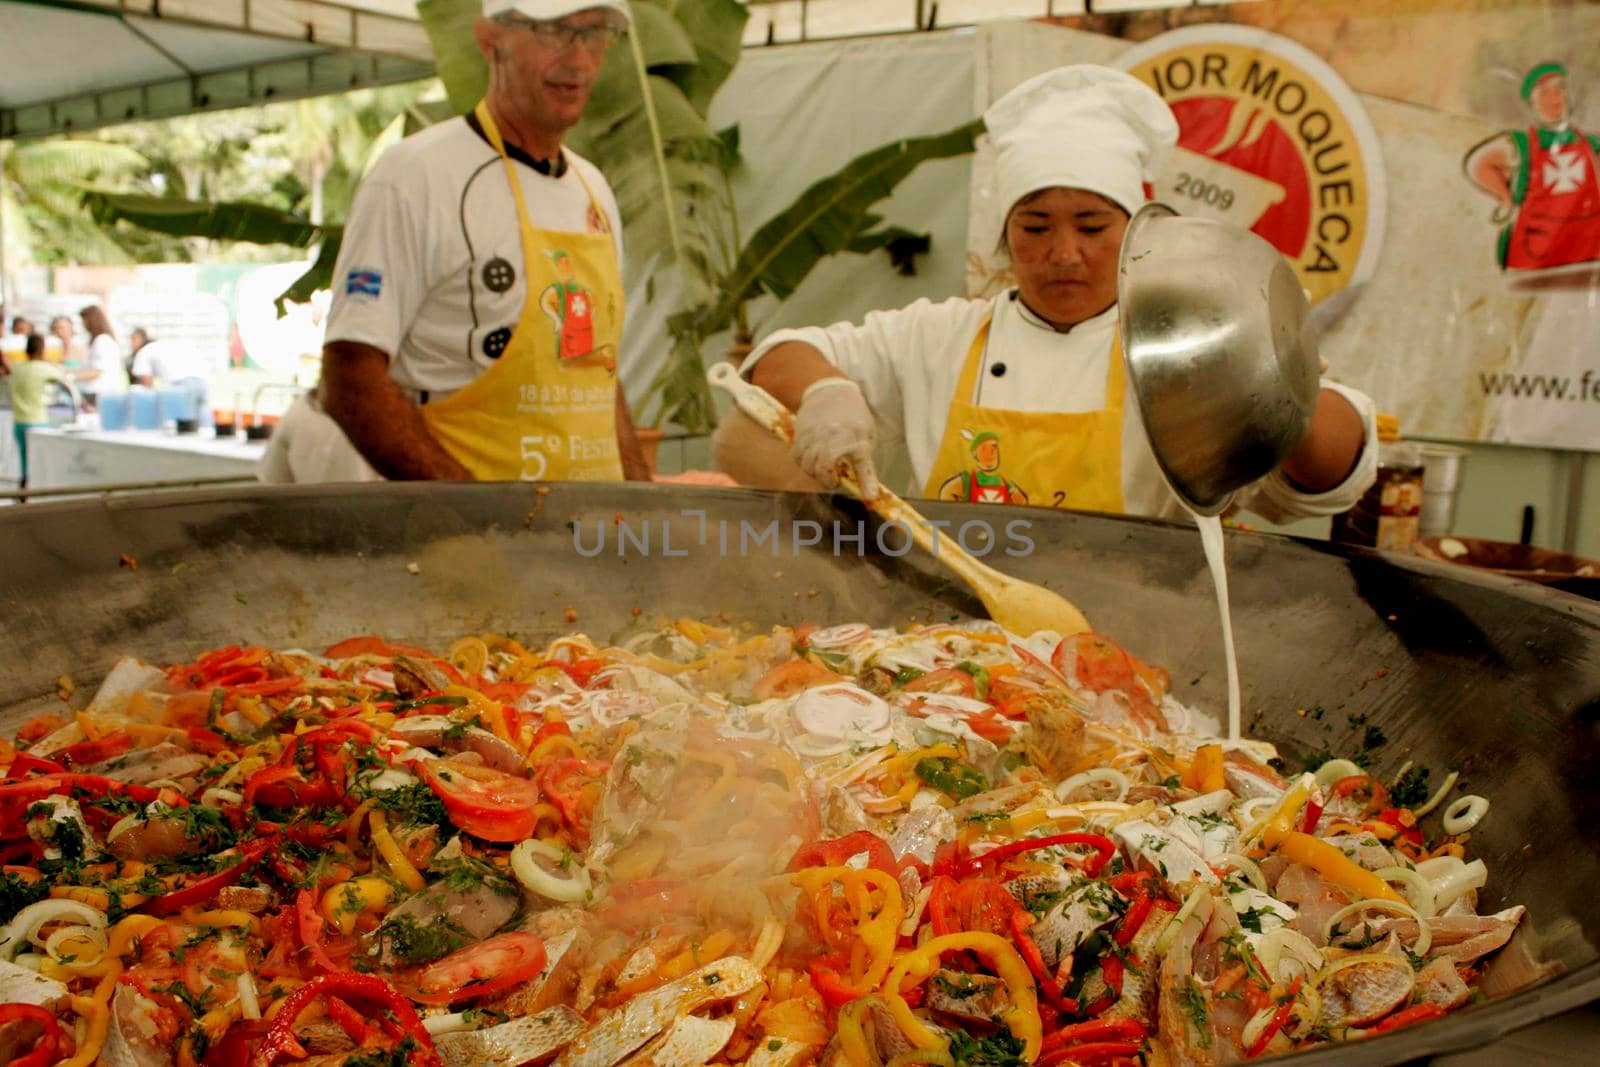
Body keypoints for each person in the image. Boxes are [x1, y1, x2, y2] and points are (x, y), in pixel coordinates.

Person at [717, 65, 1376, 524]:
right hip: (949, 642)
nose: (1064, 253)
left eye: (1092, 226)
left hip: (1149, 642)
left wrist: (1276, 381)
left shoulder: (1186, 348)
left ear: (1136, 232)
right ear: (1005, 234)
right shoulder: (943, 337)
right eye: (1035, 227)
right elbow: (778, 357)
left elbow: (1336, 474)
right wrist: (825, 390)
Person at [305, 0, 648, 483]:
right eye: (554, 33)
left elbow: (597, 378)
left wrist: (640, 508)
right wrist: (475, 517)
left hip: (591, 539)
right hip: (465, 545)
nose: (578, 60)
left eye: (593, 34)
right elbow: (349, 380)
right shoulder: (415, 176)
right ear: (491, 42)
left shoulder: (593, 188)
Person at [1465, 61, 1600, 272]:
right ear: (1533, 104)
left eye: (1559, 89)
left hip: (1589, 250)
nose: (1555, 98)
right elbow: (1478, 165)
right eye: (1545, 93)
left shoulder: (1591, 144)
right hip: (1538, 252)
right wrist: (1507, 199)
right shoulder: (1520, 143)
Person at [7, 334, 69, 491]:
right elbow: (65, 380)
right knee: (39, 466)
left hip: (18, 422)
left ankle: (22, 495)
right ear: (43, 349)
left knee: (24, 464)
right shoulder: (44, 369)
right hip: (37, 421)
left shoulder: (17, 367)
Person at [130, 329, 215, 427]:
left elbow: (146, 386)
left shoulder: (143, 352)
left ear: (142, 339)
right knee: (203, 418)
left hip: (180, 383)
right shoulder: (160, 345)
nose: (131, 344)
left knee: (182, 423)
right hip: (202, 379)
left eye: (133, 339)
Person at [77, 304, 126, 410]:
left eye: (84, 321)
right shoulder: (98, 341)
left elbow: (97, 372)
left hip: (100, 395)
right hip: (97, 394)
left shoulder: (102, 341)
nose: (83, 325)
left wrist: (70, 376)